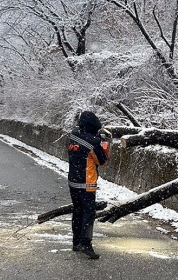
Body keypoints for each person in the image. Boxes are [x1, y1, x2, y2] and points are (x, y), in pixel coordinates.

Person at [67, 111, 110, 259]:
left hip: (73, 181)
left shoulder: (73, 134)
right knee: (89, 212)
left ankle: (76, 241)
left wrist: (95, 139)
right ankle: (86, 243)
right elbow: (102, 161)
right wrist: (103, 144)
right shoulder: (93, 143)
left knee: (77, 210)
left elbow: (82, 142)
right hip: (87, 183)